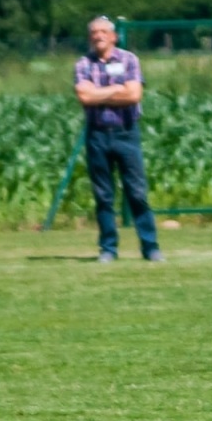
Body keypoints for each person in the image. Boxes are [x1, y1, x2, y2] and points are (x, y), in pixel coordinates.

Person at [74, 15, 163, 263]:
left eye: (103, 31)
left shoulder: (129, 60)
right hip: (97, 135)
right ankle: (108, 249)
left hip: (126, 132)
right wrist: (115, 89)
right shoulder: (83, 64)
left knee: (136, 192)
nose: (98, 36)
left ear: (113, 36)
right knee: (103, 195)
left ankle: (150, 246)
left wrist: (99, 93)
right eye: (94, 32)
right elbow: (84, 97)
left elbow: (134, 95)